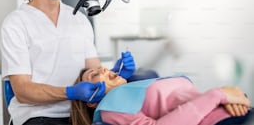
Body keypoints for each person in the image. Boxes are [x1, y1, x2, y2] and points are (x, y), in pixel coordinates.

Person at [0, 0, 136, 125]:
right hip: (38, 116)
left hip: (80, 113)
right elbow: (22, 91)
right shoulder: (16, 23)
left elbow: (93, 71)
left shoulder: (79, 19)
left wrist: (115, 74)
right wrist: (70, 92)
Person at [71, 67, 253, 125]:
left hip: (236, 112)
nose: (104, 68)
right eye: (95, 75)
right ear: (91, 102)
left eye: (103, 67)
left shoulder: (139, 85)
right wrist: (218, 94)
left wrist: (233, 96)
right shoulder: (110, 109)